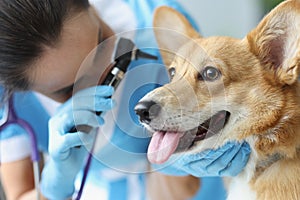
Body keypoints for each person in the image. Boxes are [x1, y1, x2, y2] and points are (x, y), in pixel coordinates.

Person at [0, 0, 251, 199]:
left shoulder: (161, 31)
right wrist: (54, 187)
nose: (106, 74)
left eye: (101, 43)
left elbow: (177, 190)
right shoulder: (8, 101)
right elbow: (20, 193)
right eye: (70, 87)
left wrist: (175, 159)